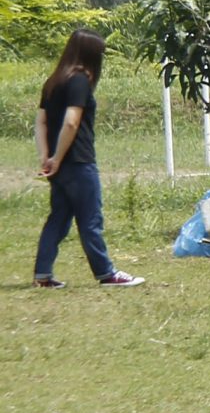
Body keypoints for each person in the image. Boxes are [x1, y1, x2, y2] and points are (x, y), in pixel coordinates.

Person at [33, 27, 143, 289]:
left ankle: (42, 275)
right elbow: (72, 123)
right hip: (78, 162)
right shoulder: (79, 80)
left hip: (59, 167)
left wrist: (46, 157)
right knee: (91, 220)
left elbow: (40, 122)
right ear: (92, 55)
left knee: (58, 219)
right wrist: (58, 157)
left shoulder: (53, 82)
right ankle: (106, 274)